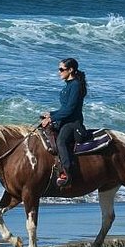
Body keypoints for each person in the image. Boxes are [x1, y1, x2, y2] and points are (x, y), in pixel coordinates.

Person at [40, 57, 87, 188]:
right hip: (65, 119)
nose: (59, 72)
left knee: (61, 141)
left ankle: (66, 173)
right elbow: (64, 108)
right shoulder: (69, 85)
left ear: (70, 70)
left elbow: (70, 109)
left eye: (62, 69)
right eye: (59, 69)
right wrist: (51, 114)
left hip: (73, 123)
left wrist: (51, 118)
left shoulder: (76, 85)